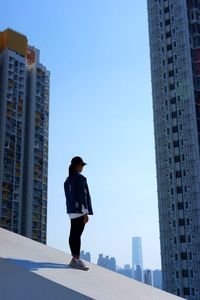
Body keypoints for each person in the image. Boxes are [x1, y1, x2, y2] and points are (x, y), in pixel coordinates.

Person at [64, 156, 93, 270]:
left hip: (71, 210)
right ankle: (76, 259)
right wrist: (85, 212)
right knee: (76, 235)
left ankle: (74, 259)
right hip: (79, 210)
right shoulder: (80, 178)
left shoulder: (68, 180)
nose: (82, 167)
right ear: (77, 166)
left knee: (73, 234)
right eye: (81, 165)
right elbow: (83, 195)